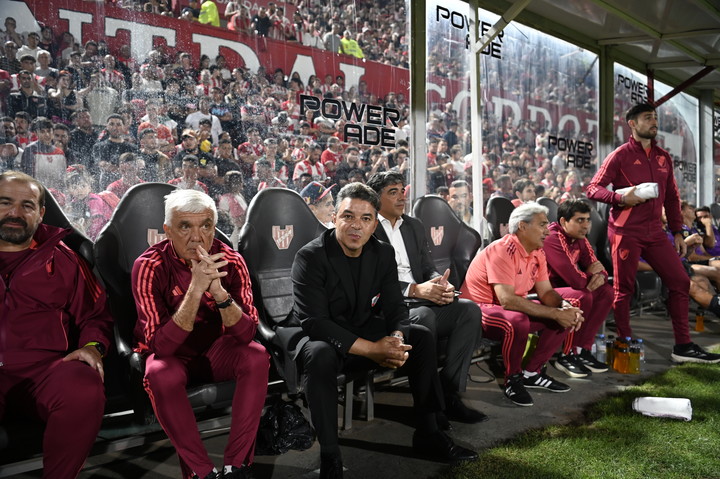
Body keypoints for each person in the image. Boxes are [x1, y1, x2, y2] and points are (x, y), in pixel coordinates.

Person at [290, 183, 477, 478]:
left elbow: (395, 308)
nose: (356, 226)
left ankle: (429, 432)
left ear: (374, 223)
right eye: (348, 216)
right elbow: (314, 322)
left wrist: (396, 339)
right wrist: (373, 349)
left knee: (421, 337)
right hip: (321, 336)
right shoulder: (310, 256)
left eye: (365, 219)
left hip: (363, 327)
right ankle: (330, 456)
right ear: (334, 218)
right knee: (320, 355)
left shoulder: (382, 252)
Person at [132, 189, 269, 479]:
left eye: (206, 225)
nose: (197, 237)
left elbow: (246, 335)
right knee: (159, 372)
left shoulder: (231, 260)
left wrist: (218, 292)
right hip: (174, 357)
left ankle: (236, 466)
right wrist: (196, 289)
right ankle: (201, 472)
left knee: (256, 356)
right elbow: (162, 347)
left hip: (215, 351)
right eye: (185, 226)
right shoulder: (148, 265)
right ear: (168, 231)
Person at [586, 103, 720, 364]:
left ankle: (683, 346)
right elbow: (593, 189)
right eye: (648, 118)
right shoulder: (620, 155)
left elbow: (672, 197)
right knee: (624, 289)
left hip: (655, 232)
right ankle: (624, 341)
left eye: (655, 118)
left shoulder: (663, 157)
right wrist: (620, 198)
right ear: (633, 124)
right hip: (625, 231)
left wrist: (678, 232)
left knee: (680, 282)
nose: (654, 122)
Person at [0, 171, 112, 478]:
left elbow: (95, 316)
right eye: (5, 202)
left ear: (41, 214)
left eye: (27, 205)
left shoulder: (64, 258)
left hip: (45, 372)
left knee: (84, 385)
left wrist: (92, 348)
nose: (15, 213)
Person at [367, 172, 487, 425]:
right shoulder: (367, 226)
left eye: (402, 190)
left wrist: (438, 282)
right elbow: (370, 280)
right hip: (387, 308)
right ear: (376, 198)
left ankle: (449, 393)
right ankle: (429, 409)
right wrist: (414, 290)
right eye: (393, 192)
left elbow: (426, 267)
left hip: (420, 298)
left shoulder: (413, 225)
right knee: (424, 317)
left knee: (469, 311)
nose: (402, 196)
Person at [460, 203, 585, 407]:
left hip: (505, 307)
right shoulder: (502, 250)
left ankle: (532, 373)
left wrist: (563, 307)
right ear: (522, 226)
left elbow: (546, 292)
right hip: (476, 309)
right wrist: (554, 313)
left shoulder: (537, 252)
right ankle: (513, 380)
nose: (548, 230)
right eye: (543, 225)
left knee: (567, 311)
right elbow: (507, 300)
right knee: (517, 320)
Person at [543, 200, 611, 377]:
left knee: (606, 292)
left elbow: (598, 267)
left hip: (565, 287)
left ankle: (582, 350)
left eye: (588, 220)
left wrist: (601, 276)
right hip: (545, 291)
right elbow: (576, 280)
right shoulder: (553, 237)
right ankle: (566, 355)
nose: (586, 225)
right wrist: (589, 274)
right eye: (580, 220)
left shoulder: (579, 237)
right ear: (564, 221)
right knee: (583, 295)